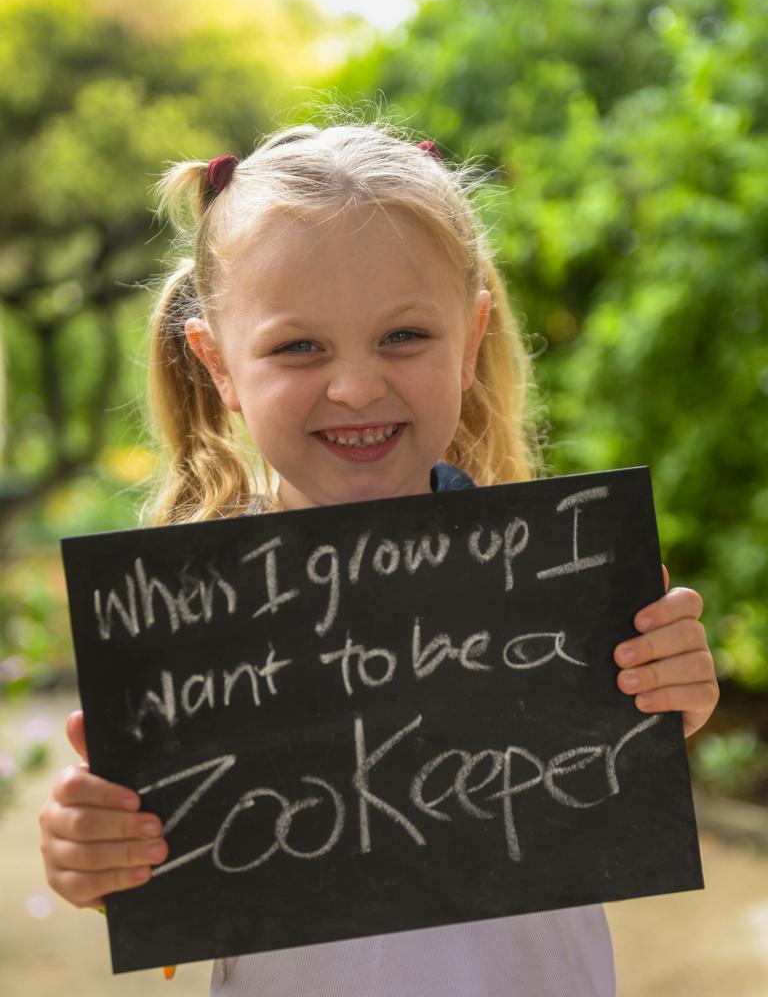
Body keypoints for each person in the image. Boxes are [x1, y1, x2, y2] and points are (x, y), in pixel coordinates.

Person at [39, 120, 719, 996]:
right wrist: (95, 858)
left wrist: (669, 699)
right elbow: (163, 867)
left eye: (403, 337)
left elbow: (606, 773)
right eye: (297, 346)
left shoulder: (562, 588)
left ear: (471, 339)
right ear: (218, 368)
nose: (356, 386)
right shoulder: (187, 632)